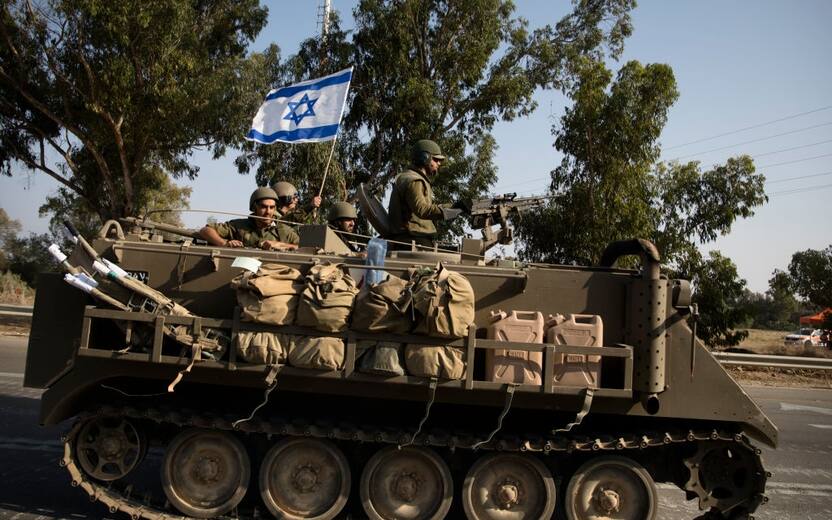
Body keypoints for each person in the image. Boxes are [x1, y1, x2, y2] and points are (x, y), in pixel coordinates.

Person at [386, 139, 463, 249]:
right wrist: (453, 208)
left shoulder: (409, 177)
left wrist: (455, 208)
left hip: (411, 239)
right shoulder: (414, 180)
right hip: (412, 239)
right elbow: (422, 210)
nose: (439, 164)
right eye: (436, 160)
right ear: (425, 158)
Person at [199, 187, 299, 250]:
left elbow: (305, 249)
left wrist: (280, 245)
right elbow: (205, 230)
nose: (268, 212)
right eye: (263, 207)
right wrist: (224, 243)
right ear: (254, 207)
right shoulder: (239, 226)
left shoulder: (284, 231)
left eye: (271, 207)